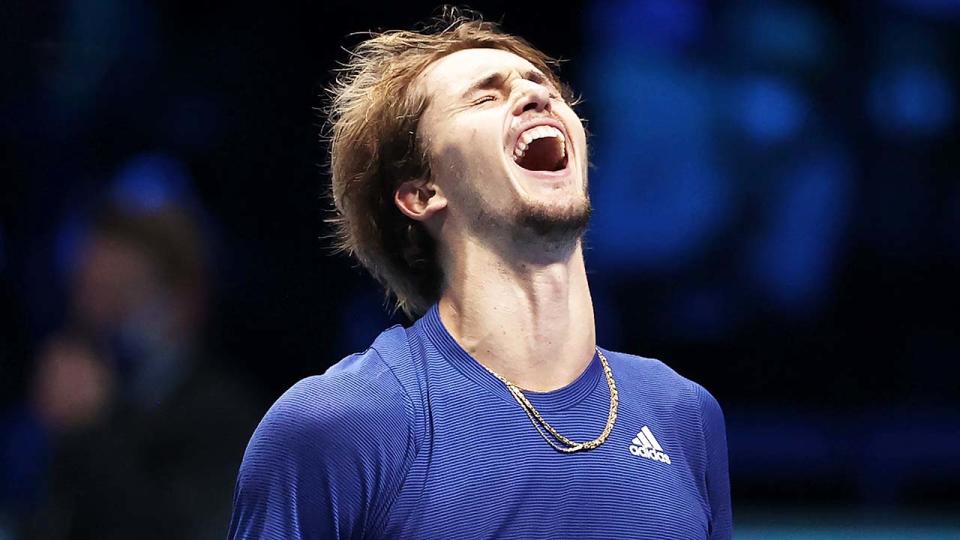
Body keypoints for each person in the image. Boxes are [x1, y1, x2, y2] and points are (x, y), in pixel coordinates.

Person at [229, 9, 732, 539]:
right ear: (422, 193)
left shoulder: (685, 414)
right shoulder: (342, 423)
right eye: (485, 96)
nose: (537, 98)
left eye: (546, 88)